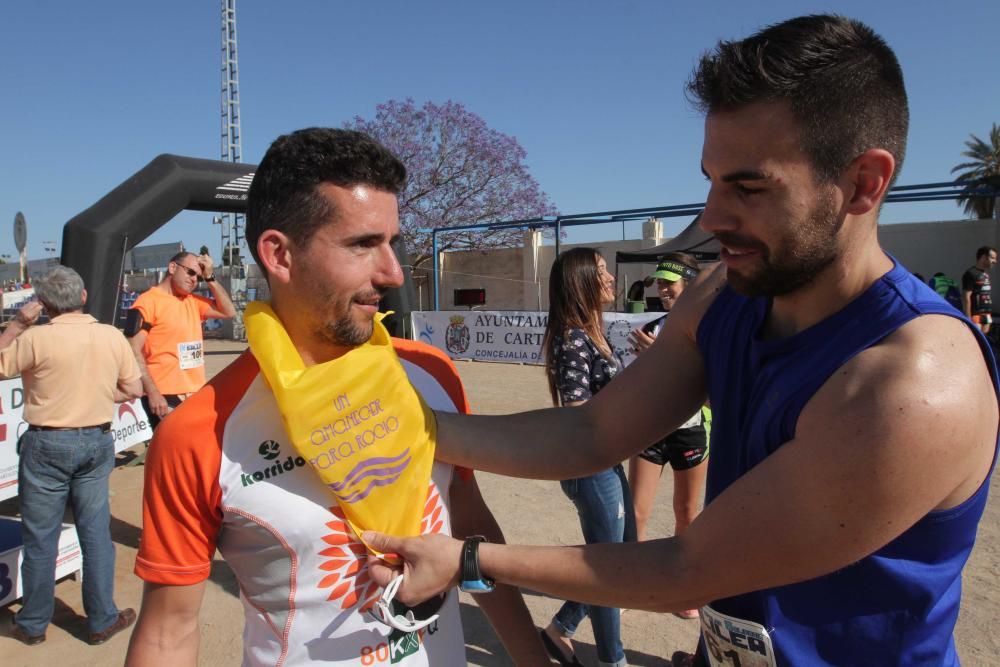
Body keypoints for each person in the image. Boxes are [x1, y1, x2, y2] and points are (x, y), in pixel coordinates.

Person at [362, 15, 999, 667]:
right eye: (712, 179)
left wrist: (467, 558)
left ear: (864, 182)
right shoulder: (723, 297)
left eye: (748, 187)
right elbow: (592, 434)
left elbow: (689, 568)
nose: (713, 216)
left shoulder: (916, 382)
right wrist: (412, 425)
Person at [124, 128, 548, 666]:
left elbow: (471, 523)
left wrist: (531, 657)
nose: (392, 272)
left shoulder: (430, 373)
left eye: (392, 241)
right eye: (363, 244)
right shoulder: (197, 434)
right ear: (279, 254)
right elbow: (168, 634)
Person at [2, 266, 143, 646]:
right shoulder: (111, 336)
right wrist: (98, 394)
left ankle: (32, 624)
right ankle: (100, 619)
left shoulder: (35, 340)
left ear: (44, 304)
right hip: (95, 441)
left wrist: (16, 324)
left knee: (40, 537)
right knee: (95, 533)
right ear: (83, 297)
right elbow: (132, 387)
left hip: (47, 442)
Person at [539, 247, 636, 667]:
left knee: (621, 553)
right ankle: (612, 661)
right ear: (580, 283)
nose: (611, 277)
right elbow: (578, 411)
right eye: (600, 272)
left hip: (605, 460)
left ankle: (560, 629)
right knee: (608, 570)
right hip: (590, 465)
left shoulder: (590, 331)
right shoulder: (573, 338)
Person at [625, 253, 709, 621]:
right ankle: (632, 584)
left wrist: (657, 355)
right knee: (635, 513)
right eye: (658, 283)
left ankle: (684, 590)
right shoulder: (653, 327)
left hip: (689, 433)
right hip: (651, 430)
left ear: (687, 284)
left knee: (687, 514)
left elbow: (705, 386)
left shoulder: (708, 327)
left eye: (668, 283)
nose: (662, 289)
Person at [126, 251, 235, 429]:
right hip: (165, 396)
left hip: (194, 393)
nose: (194, 279)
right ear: (172, 267)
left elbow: (228, 311)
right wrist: (153, 392)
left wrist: (210, 277)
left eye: (198, 277)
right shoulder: (147, 302)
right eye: (190, 272)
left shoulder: (192, 301)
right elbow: (132, 349)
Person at [962, 246, 996, 333]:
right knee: (976, 340)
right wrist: (968, 318)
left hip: (987, 314)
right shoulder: (971, 273)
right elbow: (966, 297)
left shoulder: (985, 274)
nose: (995, 261)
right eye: (992, 258)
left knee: (984, 340)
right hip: (975, 314)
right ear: (984, 257)